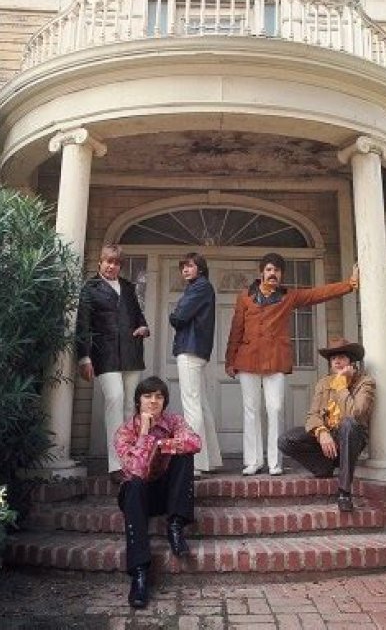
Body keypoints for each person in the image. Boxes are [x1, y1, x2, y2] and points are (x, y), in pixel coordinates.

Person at [225, 253, 358, 476]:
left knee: (275, 408)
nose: (273, 274)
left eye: (277, 270)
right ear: (261, 272)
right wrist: (230, 360)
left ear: (281, 275)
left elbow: (317, 294)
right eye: (269, 269)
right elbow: (236, 329)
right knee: (251, 410)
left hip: (275, 360)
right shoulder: (245, 296)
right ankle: (253, 461)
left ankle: (275, 463)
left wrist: (349, 284)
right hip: (247, 359)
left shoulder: (288, 297)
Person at [114, 376, 201, 609]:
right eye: (147, 396)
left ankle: (175, 525)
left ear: (164, 401)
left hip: (165, 494)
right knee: (133, 484)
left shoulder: (174, 421)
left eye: (159, 396)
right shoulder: (125, 431)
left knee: (184, 456)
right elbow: (136, 470)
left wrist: (161, 445)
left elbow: (195, 442)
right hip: (137, 496)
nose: (153, 401)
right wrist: (145, 434)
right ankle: (139, 574)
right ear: (138, 401)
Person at [76, 243, 150, 484]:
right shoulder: (90, 288)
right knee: (115, 399)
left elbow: (138, 315)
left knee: (130, 406)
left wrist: (143, 327)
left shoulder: (128, 287)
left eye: (116, 263)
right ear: (100, 262)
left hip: (131, 352)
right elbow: (83, 324)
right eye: (108, 261)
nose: (112, 266)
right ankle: (116, 465)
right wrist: (84, 357)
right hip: (105, 354)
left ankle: (130, 461)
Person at [278, 337, 375, 512]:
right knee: (286, 440)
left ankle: (344, 492)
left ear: (351, 362)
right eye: (333, 358)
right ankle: (324, 467)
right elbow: (312, 415)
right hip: (329, 438)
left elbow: (355, 414)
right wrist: (322, 432)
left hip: (350, 438)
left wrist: (341, 386)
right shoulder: (324, 383)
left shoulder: (364, 383)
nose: (337, 361)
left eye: (342, 357)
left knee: (348, 424)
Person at [169, 252, 222, 477]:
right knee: (200, 404)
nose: (185, 269)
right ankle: (211, 459)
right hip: (196, 349)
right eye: (183, 266)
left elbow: (179, 317)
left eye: (190, 266)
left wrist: (174, 314)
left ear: (200, 268)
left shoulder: (199, 287)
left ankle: (194, 462)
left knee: (192, 404)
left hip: (190, 348)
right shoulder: (201, 287)